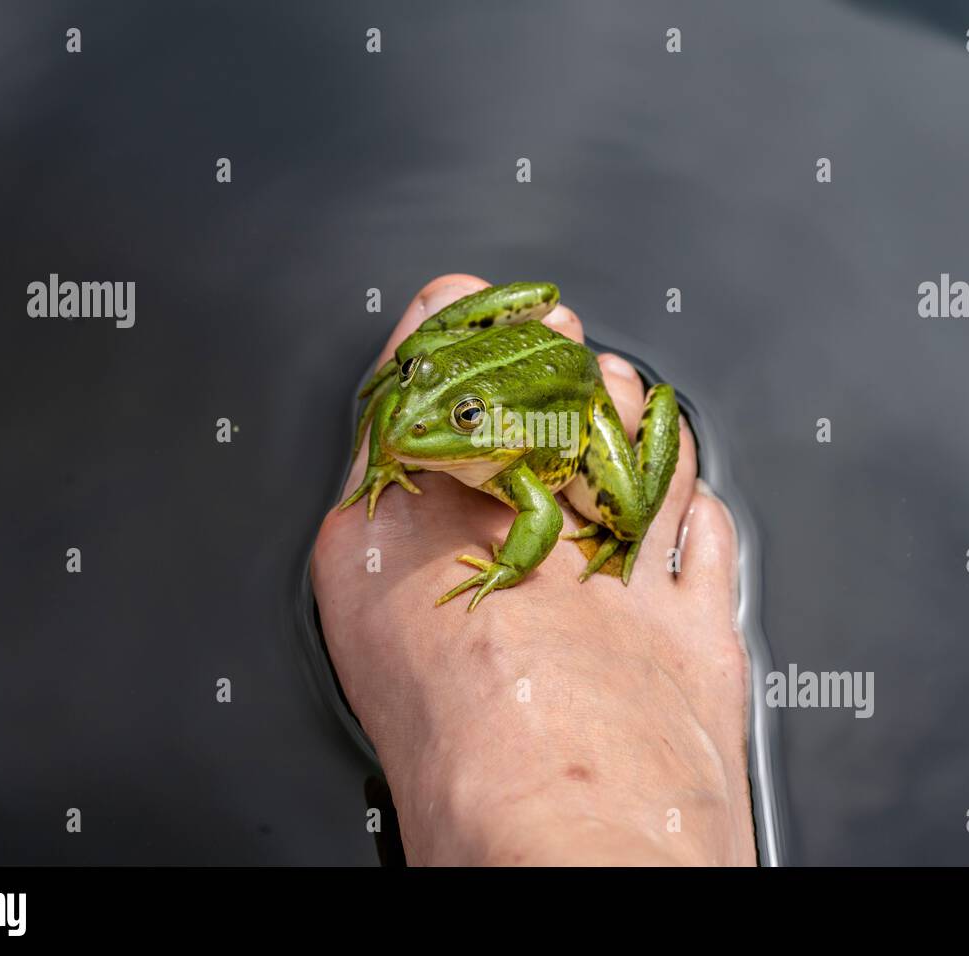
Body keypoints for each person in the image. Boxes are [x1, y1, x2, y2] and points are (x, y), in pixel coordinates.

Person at [312, 274, 755, 865]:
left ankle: (496, 806)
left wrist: (506, 570)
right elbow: (410, 409)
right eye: (412, 381)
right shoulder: (422, 416)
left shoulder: (518, 464)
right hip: (491, 386)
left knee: (627, 512)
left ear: (487, 422)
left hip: (569, 406)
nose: (405, 425)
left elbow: (541, 515)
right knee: (431, 362)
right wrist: (395, 441)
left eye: (465, 418)